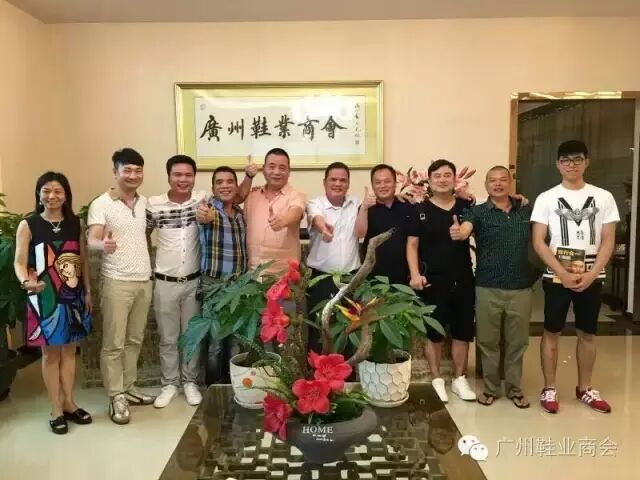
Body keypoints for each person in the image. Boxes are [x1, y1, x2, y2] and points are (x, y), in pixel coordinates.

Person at [531, 140, 619, 414]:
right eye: (566, 160)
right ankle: (549, 387)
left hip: (592, 273)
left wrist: (592, 273)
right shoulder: (546, 198)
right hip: (557, 274)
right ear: (558, 164)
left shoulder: (603, 197)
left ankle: (585, 387)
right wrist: (562, 272)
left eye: (577, 159)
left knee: (588, 332)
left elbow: (608, 240)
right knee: (551, 331)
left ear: (586, 162)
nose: (572, 164)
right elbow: (538, 241)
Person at [14, 172, 92, 434]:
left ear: (66, 195)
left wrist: (88, 292)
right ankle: (55, 408)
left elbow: (83, 260)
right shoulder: (29, 224)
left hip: (73, 295)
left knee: (70, 351)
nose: (52, 196)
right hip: (44, 295)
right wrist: (26, 282)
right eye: (46, 191)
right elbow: (19, 262)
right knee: (50, 353)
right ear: (39, 194)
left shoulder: (76, 223)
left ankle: (69, 403)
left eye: (58, 191)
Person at [450, 166, 534, 408]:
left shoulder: (526, 210)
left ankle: (515, 389)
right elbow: (465, 228)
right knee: (487, 342)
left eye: (502, 180)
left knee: (517, 342)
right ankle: (490, 388)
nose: (498, 184)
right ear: (486, 185)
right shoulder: (477, 212)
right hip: (487, 286)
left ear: (510, 183)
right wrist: (460, 232)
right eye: (492, 180)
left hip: (520, 287)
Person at [87, 148, 154, 425]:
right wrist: (102, 245)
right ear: (115, 172)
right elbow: (92, 239)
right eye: (127, 170)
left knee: (134, 340)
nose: (133, 175)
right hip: (116, 280)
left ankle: (129, 387)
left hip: (143, 280)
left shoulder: (144, 202)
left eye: (138, 170)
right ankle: (116, 395)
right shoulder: (101, 203)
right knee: (113, 343)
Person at [407, 159, 476, 403]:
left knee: (462, 331)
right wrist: (415, 274)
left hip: (463, 278)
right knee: (434, 332)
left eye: (447, 175)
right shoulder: (420, 210)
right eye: (437, 176)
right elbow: (412, 245)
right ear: (429, 180)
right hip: (432, 280)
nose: (442, 180)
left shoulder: (467, 207)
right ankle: (436, 379)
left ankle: (459, 379)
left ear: (455, 179)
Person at [146, 155, 206, 408]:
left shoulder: (202, 200)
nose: (183, 179)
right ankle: (170, 383)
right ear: (169, 176)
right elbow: (141, 235)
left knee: (191, 336)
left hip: (193, 282)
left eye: (188, 175)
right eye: (177, 174)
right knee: (168, 337)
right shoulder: (153, 204)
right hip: (165, 282)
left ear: (194, 177)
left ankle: (190, 381)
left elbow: (234, 197)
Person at [195, 166, 249, 383]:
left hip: (239, 284)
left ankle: (233, 387)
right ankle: (213, 389)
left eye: (229, 182)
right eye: (219, 182)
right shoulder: (208, 209)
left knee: (236, 339)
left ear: (236, 186)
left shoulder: (240, 214)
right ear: (213, 188)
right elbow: (203, 217)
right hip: (214, 283)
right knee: (215, 341)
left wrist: (249, 177)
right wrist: (203, 215)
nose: (225, 186)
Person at [306, 162, 362, 352]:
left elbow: (380, 202)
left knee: (350, 329)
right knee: (318, 327)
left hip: (350, 279)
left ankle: (347, 368)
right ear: (324, 182)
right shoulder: (315, 204)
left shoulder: (356, 204)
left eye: (342, 180)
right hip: (321, 279)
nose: (338, 184)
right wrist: (323, 228)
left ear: (348, 184)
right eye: (333, 179)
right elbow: (316, 218)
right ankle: (316, 368)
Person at [244, 148, 306, 275]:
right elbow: (235, 197)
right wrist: (248, 177)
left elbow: (296, 211)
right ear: (263, 169)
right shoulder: (251, 196)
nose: (276, 172)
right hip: (252, 275)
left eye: (282, 168)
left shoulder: (296, 195)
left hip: (284, 276)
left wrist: (283, 221)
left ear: (289, 172)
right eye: (271, 167)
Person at [355, 164, 414, 285]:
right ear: (373, 186)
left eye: (387, 181)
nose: (382, 186)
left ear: (395, 184)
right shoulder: (366, 208)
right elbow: (360, 234)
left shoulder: (408, 206)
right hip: (374, 278)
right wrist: (364, 208)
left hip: (405, 278)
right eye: (378, 182)